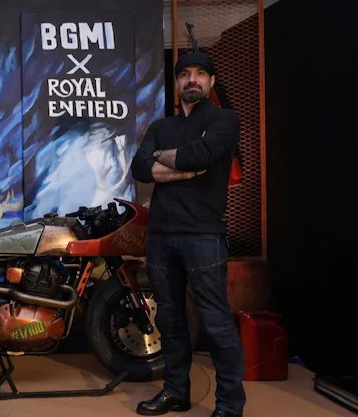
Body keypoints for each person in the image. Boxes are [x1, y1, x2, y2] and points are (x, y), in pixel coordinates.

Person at [130, 52, 245, 417]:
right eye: (185, 74)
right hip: (161, 235)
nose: (192, 79)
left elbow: (202, 155)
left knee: (216, 322)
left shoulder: (224, 119)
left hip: (203, 235)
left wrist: (161, 159)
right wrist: (179, 166)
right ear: (177, 82)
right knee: (169, 319)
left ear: (211, 82)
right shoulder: (161, 127)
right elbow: (140, 168)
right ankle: (176, 392)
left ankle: (230, 405)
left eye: (200, 74)